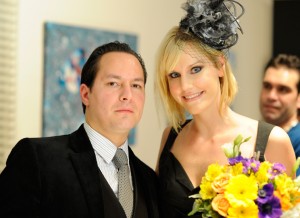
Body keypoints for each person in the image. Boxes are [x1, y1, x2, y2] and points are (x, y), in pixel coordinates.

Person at [154, 0, 296, 217]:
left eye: (196, 69)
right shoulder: (171, 137)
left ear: (220, 65)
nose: (185, 86)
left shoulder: (273, 141)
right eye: (174, 75)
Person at [0, 41, 160, 218]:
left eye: (136, 85)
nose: (127, 95)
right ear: (85, 94)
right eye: (114, 83)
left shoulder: (150, 180)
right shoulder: (38, 159)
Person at [260, 53, 300, 175]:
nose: (271, 96)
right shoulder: (252, 135)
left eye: (283, 89)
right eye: (267, 86)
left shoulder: (297, 140)